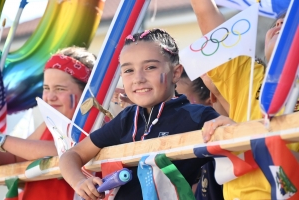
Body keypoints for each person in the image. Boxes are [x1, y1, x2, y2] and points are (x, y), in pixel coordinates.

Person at [59, 28, 234, 200]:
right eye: (128, 70)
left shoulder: (197, 116)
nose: (138, 78)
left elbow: (234, 139)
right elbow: (72, 155)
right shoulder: (126, 119)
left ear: (175, 73)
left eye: (150, 67)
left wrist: (226, 126)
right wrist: (80, 182)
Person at [190, 0, 299, 199]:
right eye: (276, 23)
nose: (279, 24)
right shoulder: (247, 76)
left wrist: (243, 135)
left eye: (291, 22)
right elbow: (204, 9)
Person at [0, 47, 96, 200]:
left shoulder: (95, 123)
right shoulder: (49, 123)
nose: (50, 97)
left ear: (85, 91)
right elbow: (17, 156)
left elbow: (65, 150)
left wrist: (2, 140)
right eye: (46, 88)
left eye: (60, 89)